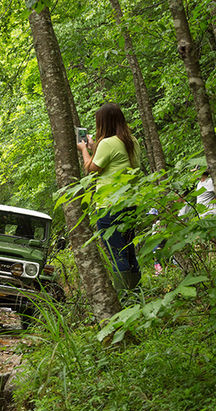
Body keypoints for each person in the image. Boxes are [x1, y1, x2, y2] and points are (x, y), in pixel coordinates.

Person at [77, 102, 142, 291]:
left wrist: (84, 150)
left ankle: (125, 297)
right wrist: (95, 146)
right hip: (130, 203)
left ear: (103, 123)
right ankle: (137, 295)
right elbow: (116, 159)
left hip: (109, 205)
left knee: (117, 255)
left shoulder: (107, 143)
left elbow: (91, 169)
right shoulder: (132, 140)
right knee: (129, 251)